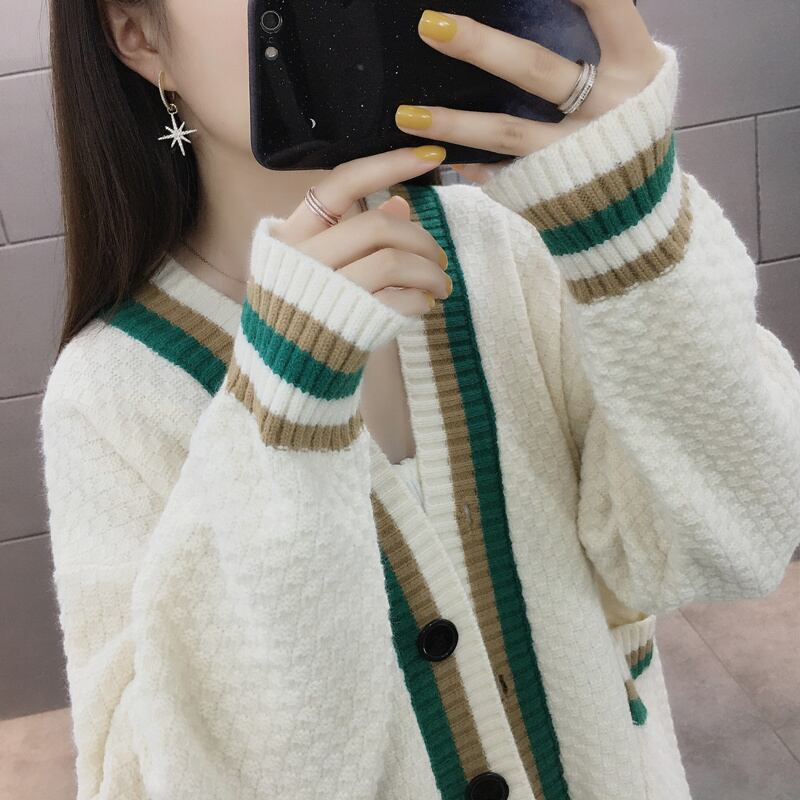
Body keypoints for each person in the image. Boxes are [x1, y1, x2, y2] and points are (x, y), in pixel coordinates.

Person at [39, 2, 800, 799]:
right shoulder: (114, 391)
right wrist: (283, 419)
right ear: (137, 33)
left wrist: (634, 231)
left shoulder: (520, 243)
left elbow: (735, 545)